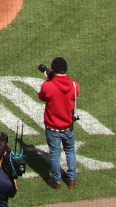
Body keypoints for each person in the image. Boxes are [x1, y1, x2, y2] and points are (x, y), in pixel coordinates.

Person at [39, 57, 80, 188]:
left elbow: (42, 96)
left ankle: (56, 182)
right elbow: (75, 93)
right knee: (70, 151)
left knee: (55, 155)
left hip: (53, 127)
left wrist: (48, 79)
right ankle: (72, 179)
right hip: (68, 126)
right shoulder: (74, 85)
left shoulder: (48, 86)